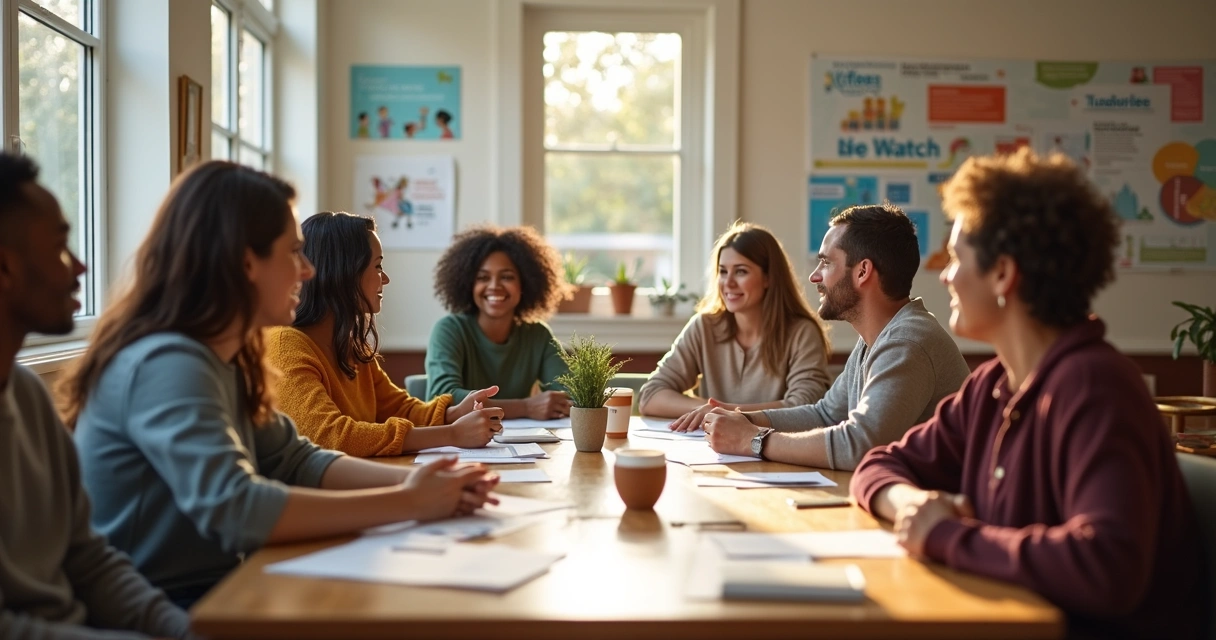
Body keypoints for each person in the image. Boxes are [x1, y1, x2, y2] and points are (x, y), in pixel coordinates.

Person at [64, 161, 498, 608]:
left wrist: (423, 484)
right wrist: (408, 502)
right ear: (246, 262)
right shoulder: (169, 361)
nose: (308, 271)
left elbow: (294, 460)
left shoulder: (231, 355)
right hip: (159, 603)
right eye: (293, 252)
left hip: (218, 586)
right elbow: (237, 509)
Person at [850, 149, 1204, 637]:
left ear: (1003, 274)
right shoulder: (992, 386)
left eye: (956, 258)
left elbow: (1107, 567)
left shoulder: (1097, 388)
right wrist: (911, 506)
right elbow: (877, 465)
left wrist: (948, 536)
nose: (946, 275)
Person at [0, 153, 195, 637]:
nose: (81, 265)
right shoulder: (161, 363)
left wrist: (181, 631)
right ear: (6, 268)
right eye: (62, 246)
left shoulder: (25, 394)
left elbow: (87, 559)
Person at [699, 204, 969, 471]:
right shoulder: (878, 337)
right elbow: (825, 414)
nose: (815, 276)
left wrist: (753, 440)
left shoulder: (908, 342)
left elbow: (860, 445)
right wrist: (743, 419)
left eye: (826, 262)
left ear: (862, 272)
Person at [268, 211, 504, 457]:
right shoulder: (285, 346)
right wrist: (452, 434)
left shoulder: (351, 347)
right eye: (378, 266)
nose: (386, 278)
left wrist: (454, 414)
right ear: (343, 272)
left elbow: (398, 408)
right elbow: (330, 437)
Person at [640, 222, 833, 431]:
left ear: (768, 277)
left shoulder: (802, 333)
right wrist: (708, 410)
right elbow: (650, 396)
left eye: (741, 272)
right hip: (709, 456)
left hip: (775, 454)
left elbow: (804, 408)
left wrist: (724, 413)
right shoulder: (704, 326)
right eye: (723, 272)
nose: (728, 283)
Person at [427, 224, 570, 420]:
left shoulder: (538, 335)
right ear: (469, 285)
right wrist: (526, 407)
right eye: (483, 277)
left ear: (524, 284)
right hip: (462, 444)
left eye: (507, 277)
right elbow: (444, 398)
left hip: (526, 446)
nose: (494, 286)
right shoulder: (450, 330)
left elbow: (569, 394)